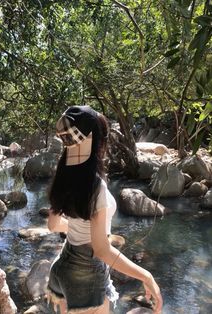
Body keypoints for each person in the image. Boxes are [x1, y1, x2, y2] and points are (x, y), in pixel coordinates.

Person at [47, 105, 163, 314]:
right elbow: (101, 250)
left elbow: (53, 225)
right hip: (86, 275)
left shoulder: (63, 174)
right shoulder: (95, 186)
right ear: (97, 142)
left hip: (61, 269)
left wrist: (80, 230)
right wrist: (146, 276)